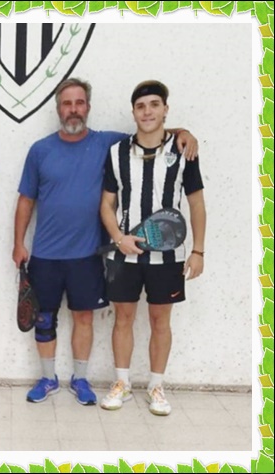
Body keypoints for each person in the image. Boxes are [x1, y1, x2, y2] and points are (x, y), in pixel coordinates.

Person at [12, 77, 198, 406]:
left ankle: (80, 379)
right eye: (67, 103)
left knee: (83, 318)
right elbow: (26, 201)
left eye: (79, 103)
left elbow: (150, 131)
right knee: (44, 318)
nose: (73, 109)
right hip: (45, 253)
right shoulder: (40, 150)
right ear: (58, 109)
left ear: (88, 107)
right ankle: (47, 378)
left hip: (87, 254)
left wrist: (184, 132)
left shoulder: (108, 144)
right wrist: (18, 243)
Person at [99, 80, 206, 416]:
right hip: (124, 254)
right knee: (123, 318)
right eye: (141, 106)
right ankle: (122, 383)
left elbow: (196, 203)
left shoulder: (184, 150)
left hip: (169, 257)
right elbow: (106, 204)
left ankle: (156, 387)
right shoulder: (116, 153)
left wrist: (198, 251)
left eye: (154, 105)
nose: (147, 112)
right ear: (133, 112)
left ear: (165, 110)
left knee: (161, 320)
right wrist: (119, 237)